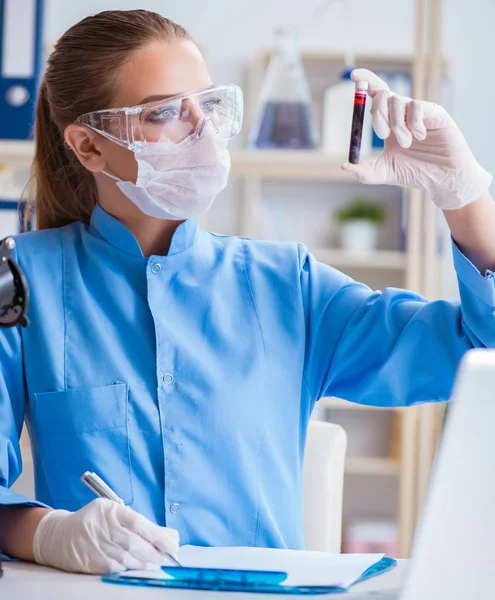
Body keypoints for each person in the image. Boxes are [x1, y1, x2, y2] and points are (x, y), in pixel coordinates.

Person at [0, 9, 494, 575]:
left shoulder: (287, 285)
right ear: (89, 147)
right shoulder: (23, 283)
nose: (202, 131)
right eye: (164, 112)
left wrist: (464, 195)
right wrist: (47, 534)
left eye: (209, 105)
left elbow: (476, 348)